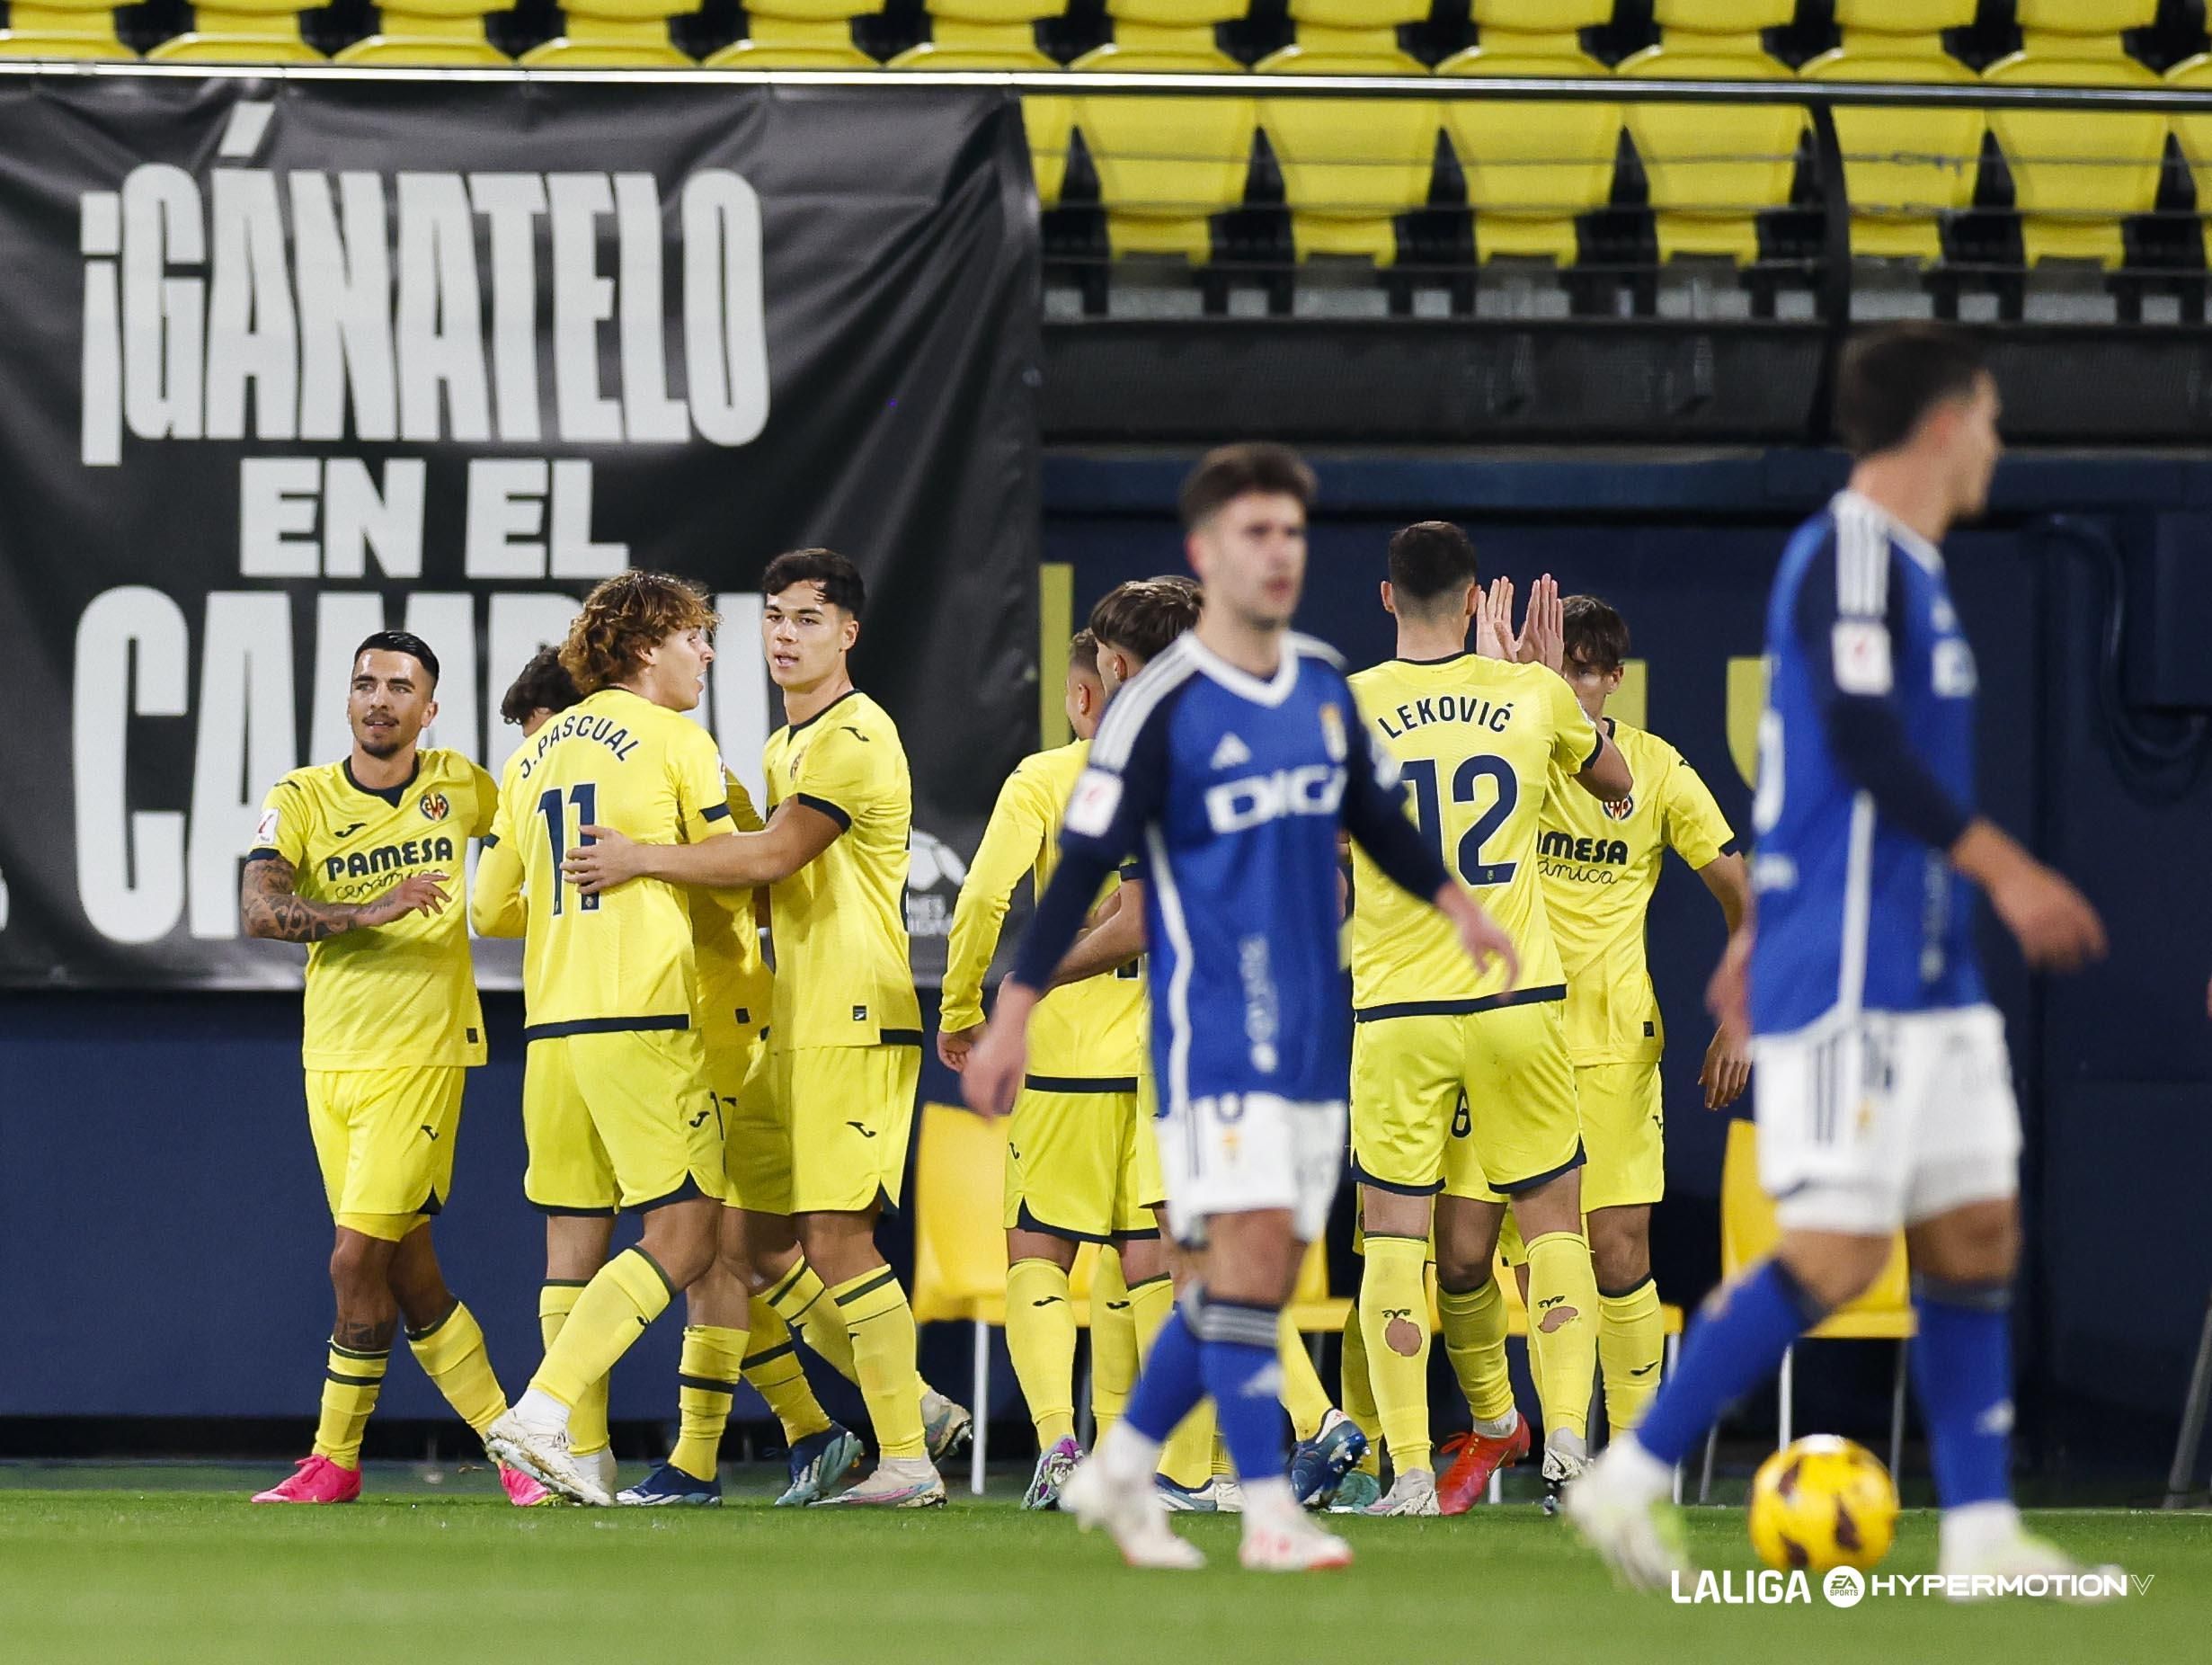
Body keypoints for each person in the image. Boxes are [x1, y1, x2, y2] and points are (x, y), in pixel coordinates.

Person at [1567, 323, 2119, 1597]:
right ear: (1944, 422)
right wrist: (2005, 867)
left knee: (1975, 1229)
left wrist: (1757, 925)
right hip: (1854, 974)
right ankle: (1627, 1475)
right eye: (1990, 417)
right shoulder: (1851, 553)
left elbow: (1804, 781)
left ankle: (1980, 1537)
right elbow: (1862, 742)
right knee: (1835, 1254)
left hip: (1932, 974)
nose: (1997, 443)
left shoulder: (1913, 568)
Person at [964, 443, 1520, 1572]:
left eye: (1291, 534)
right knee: (1241, 1260)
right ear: (1206, 551)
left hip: (1312, 1028)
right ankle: (1267, 1507)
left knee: (1247, 1276)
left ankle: (1120, 1468)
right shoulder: (1157, 708)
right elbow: (1081, 870)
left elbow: (1374, 813)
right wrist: (1013, 1005)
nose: (1278, 554)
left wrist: (1454, 902)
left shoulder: (1318, 680)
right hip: (1211, 1029)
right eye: (1254, 533)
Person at [563, 548, 950, 1509]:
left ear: (848, 632)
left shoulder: (856, 733)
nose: (784, 635)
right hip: (793, 1021)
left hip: (855, 1016)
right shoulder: (785, 748)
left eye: (808, 619)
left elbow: (775, 855)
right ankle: (911, 1407)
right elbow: (774, 891)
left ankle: (908, 1459)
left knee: (838, 1239)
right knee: (745, 1243)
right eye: (773, 617)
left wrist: (645, 857)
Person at [1051, 582, 1366, 1515]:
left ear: (1118, 665)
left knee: (1197, 1260)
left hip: (1212, 1035)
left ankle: (1241, 1451)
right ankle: (1235, 1461)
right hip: (1287, 1030)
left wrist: (1032, 979)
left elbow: (1141, 917)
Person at [1341, 529, 1632, 1518]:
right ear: (1474, 601)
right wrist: (1544, 688)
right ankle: (1568, 1448)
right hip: (1516, 1002)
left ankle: (1409, 1474)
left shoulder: (1346, 705)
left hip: (1399, 1009)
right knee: (1552, 1225)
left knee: (1394, 1239)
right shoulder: (1531, 694)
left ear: (1388, 597)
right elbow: (1614, 785)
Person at [242, 631, 541, 1508]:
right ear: (348, 699)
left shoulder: (460, 786)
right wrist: (371, 908)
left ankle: (333, 1459)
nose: (380, 699)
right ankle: (517, 1451)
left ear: (428, 708)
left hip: (422, 1056)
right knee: (409, 1274)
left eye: (400, 687)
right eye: (366, 683)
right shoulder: (301, 795)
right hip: (330, 1059)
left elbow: (538, 817)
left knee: (352, 1260)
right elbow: (259, 909)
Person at [478, 574, 738, 1505]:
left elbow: (487, 908)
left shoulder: (533, 754)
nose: (706, 653)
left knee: (571, 1244)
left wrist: (564, 907)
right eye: (692, 637)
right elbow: (730, 869)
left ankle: (581, 1457)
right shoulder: (677, 740)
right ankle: (542, 1411)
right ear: (642, 648)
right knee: (686, 1234)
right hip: (642, 1015)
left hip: (553, 1028)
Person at [937, 629, 1168, 1509]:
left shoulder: (1045, 777)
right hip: (1160, 1062)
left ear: (1080, 696)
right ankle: (1155, 1458)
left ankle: (1057, 1445)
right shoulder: (1181, 777)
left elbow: (982, 897)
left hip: (1067, 1052)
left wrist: (962, 1004)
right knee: (1148, 1260)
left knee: (1038, 1250)